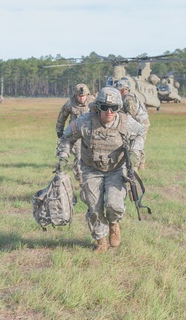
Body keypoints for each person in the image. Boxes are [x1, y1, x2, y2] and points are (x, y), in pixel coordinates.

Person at [56, 86, 144, 253]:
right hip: (91, 169)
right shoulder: (85, 121)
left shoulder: (126, 123)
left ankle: (114, 224)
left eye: (114, 108)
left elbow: (140, 133)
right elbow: (66, 138)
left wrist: (134, 154)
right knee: (94, 207)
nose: (109, 112)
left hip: (116, 169)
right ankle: (101, 241)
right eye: (104, 107)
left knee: (114, 204)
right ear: (97, 107)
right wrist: (63, 157)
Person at [55, 83, 93, 181]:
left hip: (90, 135)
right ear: (76, 95)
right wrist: (60, 131)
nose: (81, 98)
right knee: (79, 157)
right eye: (79, 96)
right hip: (75, 135)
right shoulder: (70, 104)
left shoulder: (93, 102)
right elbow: (61, 118)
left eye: (83, 96)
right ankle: (81, 180)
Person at [114, 77, 149, 169]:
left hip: (140, 123)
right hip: (140, 122)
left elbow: (131, 114)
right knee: (138, 142)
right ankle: (141, 163)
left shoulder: (128, 99)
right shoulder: (130, 96)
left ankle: (136, 165)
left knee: (136, 143)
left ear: (123, 90)